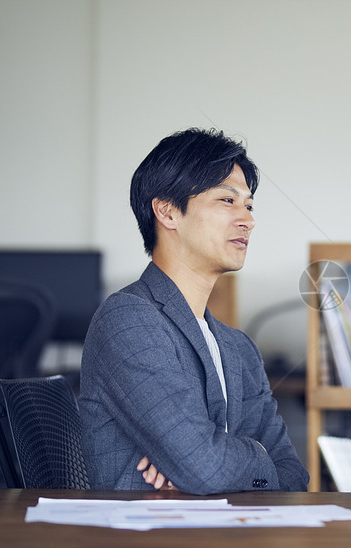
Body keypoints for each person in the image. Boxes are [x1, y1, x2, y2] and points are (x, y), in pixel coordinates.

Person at [80, 128, 309, 494]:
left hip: (223, 542)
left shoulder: (239, 349)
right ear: (168, 212)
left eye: (248, 206)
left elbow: (294, 478)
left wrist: (206, 461)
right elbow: (203, 468)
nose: (248, 220)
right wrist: (247, 456)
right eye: (227, 201)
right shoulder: (129, 320)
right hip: (142, 545)